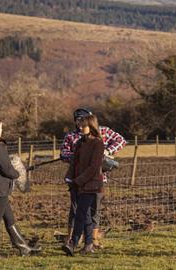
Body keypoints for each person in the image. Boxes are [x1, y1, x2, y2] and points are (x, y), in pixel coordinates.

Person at [0, 116, 41, 260]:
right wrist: (18, 173)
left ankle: (24, 248)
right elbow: (5, 167)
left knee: (9, 217)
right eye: (0, 127)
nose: (2, 129)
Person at [60, 108, 126, 249]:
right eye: (78, 120)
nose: (80, 124)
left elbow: (121, 140)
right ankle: (74, 240)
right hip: (78, 180)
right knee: (77, 211)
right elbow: (64, 154)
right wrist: (77, 160)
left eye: (83, 120)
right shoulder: (73, 138)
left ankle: (90, 241)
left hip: (95, 181)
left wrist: (107, 151)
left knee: (93, 211)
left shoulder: (102, 135)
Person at [63, 114, 105, 256]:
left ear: (91, 126)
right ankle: (88, 245)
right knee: (85, 216)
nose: (80, 128)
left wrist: (78, 180)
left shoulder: (98, 143)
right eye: (79, 125)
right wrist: (69, 177)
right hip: (78, 184)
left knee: (80, 214)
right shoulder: (80, 142)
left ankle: (72, 244)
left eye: (83, 125)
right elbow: (74, 163)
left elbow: (94, 167)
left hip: (91, 185)